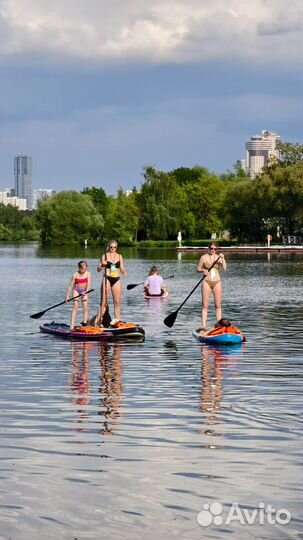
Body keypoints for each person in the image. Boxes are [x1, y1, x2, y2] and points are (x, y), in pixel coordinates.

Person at [96, 240, 127, 326]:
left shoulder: (119, 256)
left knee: (117, 302)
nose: (113, 249)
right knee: (103, 302)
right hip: (107, 279)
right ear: (108, 247)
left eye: (115, 247)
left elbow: (122, 267)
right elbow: (98, 269)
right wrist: (102, 265)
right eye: (111, 247)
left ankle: (117, 321)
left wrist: (124, 272)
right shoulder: (104, 256)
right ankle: (99, 322)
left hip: (116, 279)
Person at [197, 242, 227, 330]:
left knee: (218, 305)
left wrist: (223, 259)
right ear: (208, 248)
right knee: (204, 305)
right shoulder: (204, 257)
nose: (213, 250)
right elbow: (198, 269)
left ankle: (220, 325)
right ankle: (203, 326)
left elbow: (225, 268)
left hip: (217, 282)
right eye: (211, 248)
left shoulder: (219, 257)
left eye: (215, 249)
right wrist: (203, 270)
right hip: (206, 282)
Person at [66, 260, 91, 330]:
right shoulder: (75, 275)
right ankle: (71, 325)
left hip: (85, 291)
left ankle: (85, 324)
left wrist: (86, 292)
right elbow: (70, 286)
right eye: (82, 269)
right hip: (76, 290)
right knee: (75, 307)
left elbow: (89, 284)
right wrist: (67, 296)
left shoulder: (88, 274)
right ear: (79, 268)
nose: (84, 270)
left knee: (85, 307)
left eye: (85, 269)